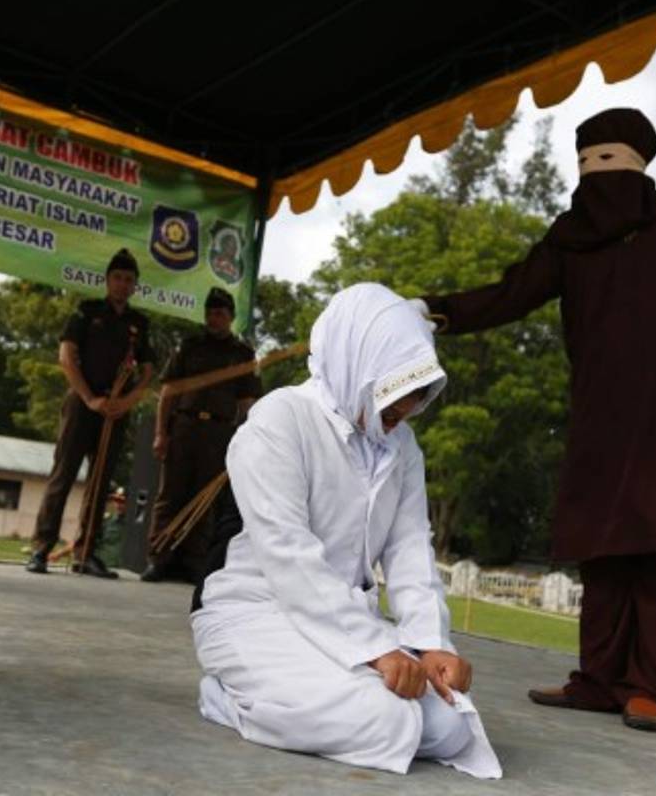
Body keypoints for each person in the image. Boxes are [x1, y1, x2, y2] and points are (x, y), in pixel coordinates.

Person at [419, 108, 656, 732]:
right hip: (601, 420)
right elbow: (510, 292)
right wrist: (436, 311)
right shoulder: (570, 240)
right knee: (604, 549)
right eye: (586, 163)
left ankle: (654, 687)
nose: (597, 175)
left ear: (640, 164)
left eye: (609, 160)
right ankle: (598, 679)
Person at [191, 284, 501, 779]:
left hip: (346, 619)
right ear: (359, 365)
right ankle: (228, 699)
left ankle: (313, 699)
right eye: (392, 398)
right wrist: (375, 649)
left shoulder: (402, 446)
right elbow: (288, 555)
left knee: (450, 727)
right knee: (386, 719)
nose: (402, 414)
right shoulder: (279, 420)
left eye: (412, 401)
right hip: (255, 611)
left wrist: (431, 643)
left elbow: (409, 549)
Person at [25, 249, 154, 579]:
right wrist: (89, 398)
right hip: (83, 403)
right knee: (63, 474)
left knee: (100, 482)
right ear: (107, 280)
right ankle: (41, 548)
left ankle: (86, 553)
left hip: (115, 410)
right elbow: (67, 356)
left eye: (129, 279)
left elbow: (147, 371)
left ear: (135, 285)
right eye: (117, 278)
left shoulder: (139, 324)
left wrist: (128, 402)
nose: (122, 284)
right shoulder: (87, 311)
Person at [143, 286, 260, 583]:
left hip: (219, 432)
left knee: (205, 499)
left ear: (231, 317)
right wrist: (160, 433)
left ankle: (193, 563)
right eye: (210, 313)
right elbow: (168, 392)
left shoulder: (242, 354)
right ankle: (158, 559)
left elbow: (247, 403)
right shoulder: (189, 346)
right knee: (170, 494)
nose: (213, 319)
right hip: (184, 426)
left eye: (219, 313)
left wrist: (244, 441)